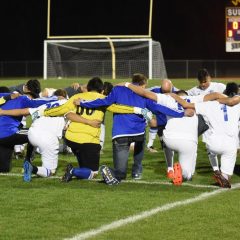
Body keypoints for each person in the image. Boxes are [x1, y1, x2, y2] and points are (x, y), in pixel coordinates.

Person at [78, 74, 189, 184]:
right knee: (141, 140)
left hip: (120, 134)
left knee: (120, 174)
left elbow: (105, 102)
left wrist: (82, 103)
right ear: (142, 85)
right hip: (138, 133)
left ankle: (110, 170)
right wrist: (182, 113)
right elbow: (158, 108)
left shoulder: (117, 89)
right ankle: (137, 170)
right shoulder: (143, 94)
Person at [43, 77, 150, 183]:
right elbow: (117, 108)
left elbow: (61, 109)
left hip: (71, 139)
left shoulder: (77, 97)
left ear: (88, 88)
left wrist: (42, 113)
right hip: (89, 140)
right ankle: (73, 171)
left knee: (85, 168)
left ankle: (78, 170)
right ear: (102, 90)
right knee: (93, 173)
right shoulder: (102, 98)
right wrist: (137, 109)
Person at [0, 89, 101, 181]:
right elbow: (70, 117)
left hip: (33, 131)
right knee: (50, 171)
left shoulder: (45, 106)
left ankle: (28, 162)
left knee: (29, 138)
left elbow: (25, 111)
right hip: (47, 137)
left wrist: (3, 112)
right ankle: (33, 167)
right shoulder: (69, 104)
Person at [0, 88, 56, 172]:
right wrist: (57, 98)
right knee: (34, 133)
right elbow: (38, 103)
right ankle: (28, 161)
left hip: (3, 139)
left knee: (4, 169)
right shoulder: (22, 99)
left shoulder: (2, 97)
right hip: (9, 133)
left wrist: (8, 97)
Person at [186, 68, 226, 174]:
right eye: (201, 82)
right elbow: (183, 95)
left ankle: (226, 166)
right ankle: (216, 170)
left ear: (209, 78)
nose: (203, 84)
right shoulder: (194, 91)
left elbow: (231, 95)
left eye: (205, 81)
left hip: (220, 121)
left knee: (223, 144)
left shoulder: (219, 87)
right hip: (205, 122)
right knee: (209, 146)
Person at [146, 79, 179, 154]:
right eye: (164, 92)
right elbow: (141, 90)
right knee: (153, 121)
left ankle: (173, 144)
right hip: (160, 115)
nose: (166, 95)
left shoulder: (178, 92)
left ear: (171, 87)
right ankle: (150, 145)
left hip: (173, 117)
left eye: (167, 92)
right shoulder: (155, 89)